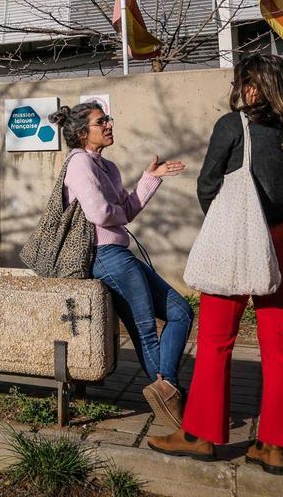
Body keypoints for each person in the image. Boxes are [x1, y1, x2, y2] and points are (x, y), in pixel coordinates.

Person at [148, 54, 283, 476]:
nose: (241, 89)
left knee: (215, 340)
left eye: (245, 81)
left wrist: (225, 223)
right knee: (279, 346)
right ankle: (274, 445)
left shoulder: (234, 126)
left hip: (240, 244)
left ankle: (200, 436)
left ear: (254, 85)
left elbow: (208, 184)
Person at [50, 103, 192, 429]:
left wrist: (149, 178)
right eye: (102, 122)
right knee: (144, 328)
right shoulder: (79, 163)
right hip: (104, 255)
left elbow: (124, 211)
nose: (109, 124)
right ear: (83, 133)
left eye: (108, 119)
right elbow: (100, 214)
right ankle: (171, 396)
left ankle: (166, 386)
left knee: (181, 312)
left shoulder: (108, 168)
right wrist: (116, 212)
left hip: (120, 253)